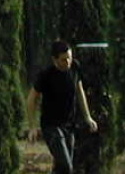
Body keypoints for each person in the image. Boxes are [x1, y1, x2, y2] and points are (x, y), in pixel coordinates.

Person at [26, 40, 98, 174]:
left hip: (69, 125)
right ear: (54, 59)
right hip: (51, 126)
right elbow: (31, 100)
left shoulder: (75, 68)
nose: (67, 62)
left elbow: (79, 90)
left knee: (61, 169)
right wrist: (32, 127)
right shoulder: (46, 75)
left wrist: (88, 117)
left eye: (69, 58)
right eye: (63, 60)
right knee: (66, 166)